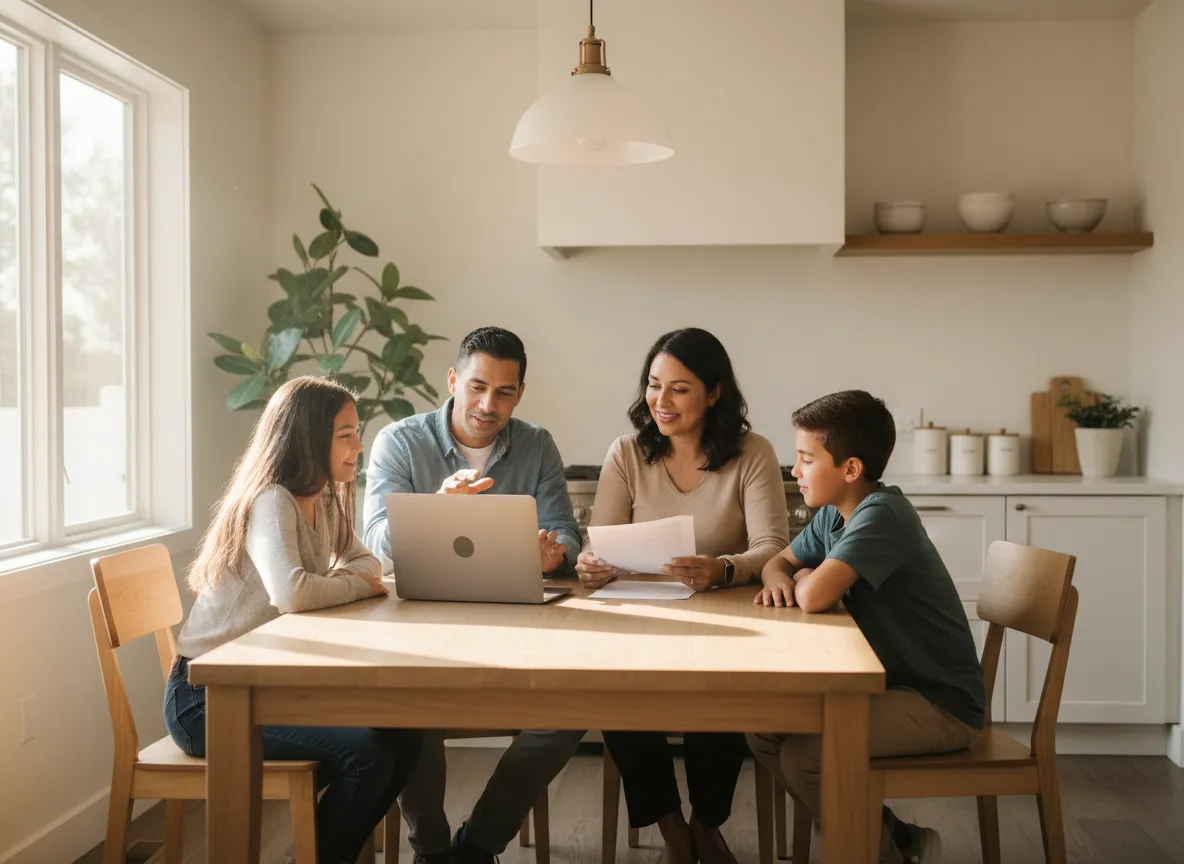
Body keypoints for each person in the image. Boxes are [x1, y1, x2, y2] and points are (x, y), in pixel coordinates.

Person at [165, 376, 419, 864]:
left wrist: (348, 581)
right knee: (366, 754)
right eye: (346, 434)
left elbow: (371, 564)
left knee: (406, 736)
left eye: (356, 432)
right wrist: (350, 585)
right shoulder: (272, 500)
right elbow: (293, 592)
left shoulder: (322, 497)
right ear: (308, 437)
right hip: (206, 701)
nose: (359, 446)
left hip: (267, 687)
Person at [362, 326, 584, 864]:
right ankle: (433, 850)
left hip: (516, 627)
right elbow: (375, 538)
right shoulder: (400, 441)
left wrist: (554, 554)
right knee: (410, 710)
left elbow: (566, 533)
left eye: (505, 392)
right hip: (421, 629)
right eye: (478, 387)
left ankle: (477, 846)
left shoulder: (536, 444)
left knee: (570, 712)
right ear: (454, 379)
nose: (489, 405)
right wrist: (436, 509)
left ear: (520, 393)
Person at [576, 327, 788, 864]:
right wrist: (591, 565)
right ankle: (676, 832)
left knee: (715, 697)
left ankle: (706, 825)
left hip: (725, 621)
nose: (660, 402)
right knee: (615, 693)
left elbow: (773, 549)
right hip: (639, 620)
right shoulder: (626, 453)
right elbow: (598, 545)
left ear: (715, 393)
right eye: (653, 385)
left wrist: (722, 568)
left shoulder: (751, 453)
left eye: (679, 388)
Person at [749, 390, 988, 864]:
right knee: (762, 730)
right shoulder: (833, 517)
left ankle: (876, 852)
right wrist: (791, 573)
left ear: (850, 469)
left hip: (938, 704)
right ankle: (896, 840)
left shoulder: (881, 515)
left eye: (805, 459)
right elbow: (777, 562)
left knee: (806, 757)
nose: (794, 471)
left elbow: (814, 597)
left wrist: (802, 578)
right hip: (891, 690)